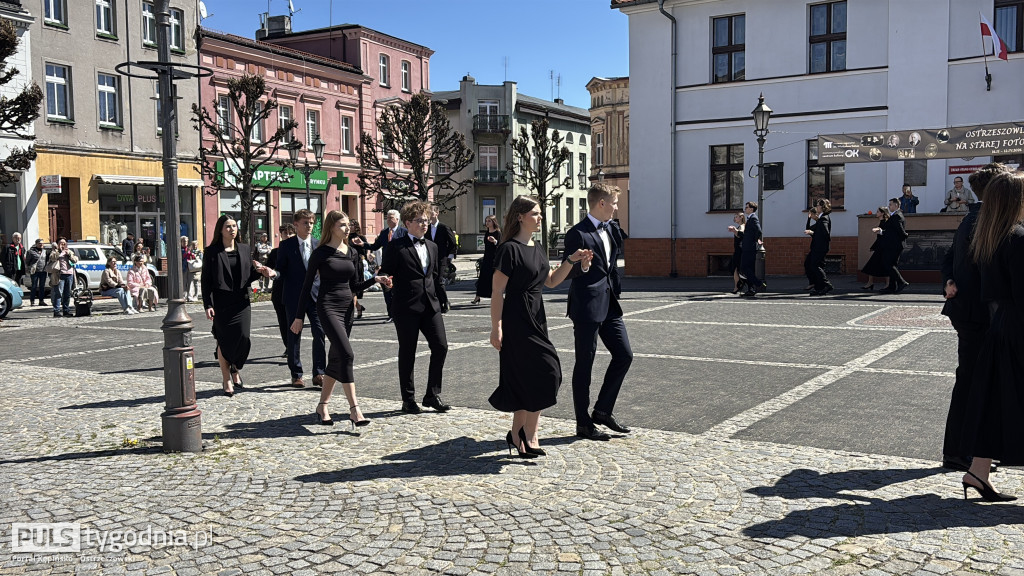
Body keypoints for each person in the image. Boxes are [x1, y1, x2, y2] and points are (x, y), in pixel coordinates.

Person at [489, 196, 593, 458]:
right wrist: (496, 326)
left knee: (544, 374)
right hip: (516, 319)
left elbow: (550, 281)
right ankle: (524, 434)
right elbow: (497, 291)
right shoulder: (509, 249)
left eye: (539, 213)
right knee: (541, 373)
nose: (540, 217)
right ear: (520, 216)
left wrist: (573, 262)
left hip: (537, 316)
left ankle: (522, 433)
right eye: (535, 213)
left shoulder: (537, 247)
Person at [958, 170, 1024, 502]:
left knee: (998, 403)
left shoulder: (989, 237)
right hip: (1018, 328)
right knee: (1011, 404)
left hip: (1001, 328)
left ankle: (978, 473)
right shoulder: (1017, 237)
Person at [941, 163, 1011, 473]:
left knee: (973, 381)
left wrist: (948, 280)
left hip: (971, 312)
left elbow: (948, 257)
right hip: (976, 314)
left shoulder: (974, 218)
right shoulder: (985, 220)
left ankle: (969, 451)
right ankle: (959, 452)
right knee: (970, 382)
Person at [291, 210, 389, 427]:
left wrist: (375, 279)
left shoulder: (352, 252)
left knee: (336, 358)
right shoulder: (321, 253)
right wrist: (299, 317)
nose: (347, 228)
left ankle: (322, 405)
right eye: (342, 225)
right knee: (347, 353)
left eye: (347, 225)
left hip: (347, 309)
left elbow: (354, 285)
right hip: (327, 306)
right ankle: (355, 409)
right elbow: (306, 286)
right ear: (331, 227)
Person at [563, 183, 634, 441]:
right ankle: (583, 423)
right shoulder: (577, 233)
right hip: (587, 306)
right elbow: (567, 271)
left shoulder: (611, 228)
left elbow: (611, 264)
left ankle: (603, 410)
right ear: (601, 203)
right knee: (585, 364)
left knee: (624, 355)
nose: (617, 207)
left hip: (610, 303)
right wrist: (581, 267)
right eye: (614, 202)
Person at [380, 200, 451, 414]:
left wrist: (443, 298)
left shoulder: (433, 246)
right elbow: (386, 272)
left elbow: (435, 276)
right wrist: (387, 283)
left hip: (430, 305)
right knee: (408, 352)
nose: (424, 224)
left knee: (441, 346)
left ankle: (431, 394)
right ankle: (408, 399)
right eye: (420, 221)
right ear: (408, 223)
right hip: (406, 306)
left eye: (427, 221)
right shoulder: (395, 247)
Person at [202, 214, 276, 397]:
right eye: (228, 226)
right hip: (221, 303)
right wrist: (207, 304)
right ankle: (227, 378)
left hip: (241, 302)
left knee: (243, 339)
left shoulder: (244, 249)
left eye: (234, 226)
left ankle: (235, 366)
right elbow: (206, 281)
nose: (232, 229)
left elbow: (247, 276)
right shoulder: (212, 252)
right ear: (220, 229)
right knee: (224, 341)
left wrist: (260, 272)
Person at [275, 209, 328, 389]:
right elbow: (280, 270)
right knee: (294, 335)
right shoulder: (286, 245)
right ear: (296, 225)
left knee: (319, 333)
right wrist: (273, 273)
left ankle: (319, 373)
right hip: (294, 297)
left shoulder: (318, 244)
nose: (309, 226)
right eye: (305, 223)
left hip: (315, 297)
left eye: (311, 223)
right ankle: (296, 374)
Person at [364, 209, 407, 321]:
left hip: (400, 266)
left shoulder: (404, 232)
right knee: (387, 291)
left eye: (391, 218)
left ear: (397, 219)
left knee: (399, 291)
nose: (388, 220)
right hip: (386, 266)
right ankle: (391, 314)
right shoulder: (384, 233)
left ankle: (400, 312)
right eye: (387, 217)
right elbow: (375, 246)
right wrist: (362, 244)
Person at [267, 224, 294, 356]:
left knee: (293, 321)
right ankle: (288, 346)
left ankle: (293, 347)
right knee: (283, 321)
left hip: (294, 291)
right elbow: (268, 268)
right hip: (279, 291)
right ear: (281, 235)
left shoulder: (299, 250)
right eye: (285, 233)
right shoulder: (275, 252)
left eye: (290, 233)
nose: (287, 235)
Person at [877, 198, 910, 294]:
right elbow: (893, 231)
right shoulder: (895, 215)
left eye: (890, 204)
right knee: (892, 264)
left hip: (894, 245)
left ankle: (901, 282)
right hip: (894, 244)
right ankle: (892, 286)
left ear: (896, 205)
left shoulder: (896, 216)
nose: (889, 206)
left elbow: (899, 231)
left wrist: (905, 235)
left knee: (888, 264)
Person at [804, 199, 833, 296]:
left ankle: (826, 285)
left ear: (823, 207)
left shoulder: (824, 219)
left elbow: (825, 234)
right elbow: (813, 230)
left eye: (818, 205)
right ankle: (818, 287)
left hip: (820, 247)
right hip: (817, 247)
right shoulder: (821, 219)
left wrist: (813, 233)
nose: (816, 207)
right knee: (809, 264)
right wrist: (813, 231)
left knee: (815, 266)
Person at [472, 215, 501, 304]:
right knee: (483, 277)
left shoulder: (498, 233)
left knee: (493, 278)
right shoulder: (487, 232)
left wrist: (495, 241)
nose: (487, 223)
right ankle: (477, 296)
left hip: (494, 258)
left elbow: (500, 245)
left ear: (493, 222)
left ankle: (496, 297)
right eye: (486, 221)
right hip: (487, 257)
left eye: (489, 221)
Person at [860, 207, 891, 290]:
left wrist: (878, 229)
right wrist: (873, 247)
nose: (876, 213)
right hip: (879, 248)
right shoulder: (881, 222)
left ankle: (887, 284)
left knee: (884, 266)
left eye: (878, 211)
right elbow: (879, 238)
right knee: (872, 265)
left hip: (884, 249)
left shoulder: (886, 222)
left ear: (882, 213)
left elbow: (885, 233)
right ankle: (870, 283)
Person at [739, 201, 765, 298]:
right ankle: (751, 289)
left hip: (749, 248)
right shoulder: (750, 219)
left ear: (751, 209)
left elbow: (758, 231)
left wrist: (754, 240)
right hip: (747, 247)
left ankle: (758, 283)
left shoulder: (753, 218)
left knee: (744, 268)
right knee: (748, 269)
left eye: (746, 207)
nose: (745, 209)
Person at [47, 237, 77, 318]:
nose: (63, 245)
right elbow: (52, 258)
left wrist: (69, 255)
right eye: (61, 243)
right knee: (58, 293)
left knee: (67, 294)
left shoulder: (69, 251)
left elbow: (75, 260)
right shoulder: (54, 252)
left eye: (64, 243)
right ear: (58, 244)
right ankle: (56, 311)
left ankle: (66, 310)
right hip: (59, 275)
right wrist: (59, 251)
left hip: (69, 274)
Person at [428, 205, 458, 283]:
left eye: (431, 211)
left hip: (441, 257)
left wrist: (446, 254)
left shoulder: (444, 227)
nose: (429, 214)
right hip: (430, 258)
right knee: (431, 280)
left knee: (439, 280)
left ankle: (441, 295)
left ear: (437, 213)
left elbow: (453, 242)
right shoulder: (427, 228)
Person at [348, 220, 369, 319]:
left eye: (351, 225)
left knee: (353, 288)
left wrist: (360, 245)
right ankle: (358, 307)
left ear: (356, 226)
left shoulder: (360, 237)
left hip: (356, 265)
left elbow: (365, 253)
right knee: (350, 289)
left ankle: (352, 311)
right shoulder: (345, 236)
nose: (349, 226)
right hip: (347, 264)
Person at [727, 213, 745, 294]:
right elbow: (738, 235)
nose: (735, 218)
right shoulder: (740, 226)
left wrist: (735, 230)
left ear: (741, 217)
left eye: (736, 217)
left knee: (736, 268)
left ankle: (737, 286)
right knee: (735, 268)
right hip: (738, 250)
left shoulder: (742, 226)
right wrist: (734, 231)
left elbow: (741, 234)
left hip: (740, 251)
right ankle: (738, 285)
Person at [25, 239, 47, 306]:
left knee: (42, 286)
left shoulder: (45, 251)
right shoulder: (31, 251)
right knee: (34, 286)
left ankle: (41, 300)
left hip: (43, 271)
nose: (41, 245)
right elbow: (27, 261)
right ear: (36, 244)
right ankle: (32, 301)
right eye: (40, 243)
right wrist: (29, 268)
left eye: (42, 243)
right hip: (34, 271)